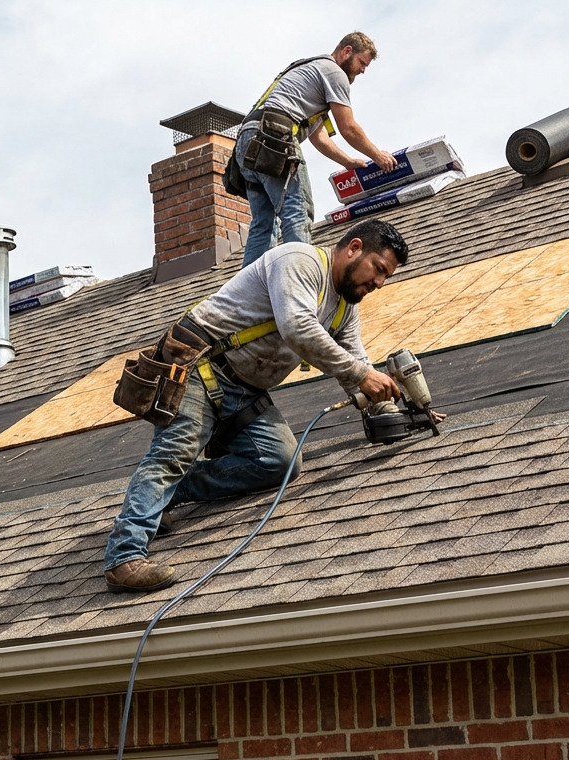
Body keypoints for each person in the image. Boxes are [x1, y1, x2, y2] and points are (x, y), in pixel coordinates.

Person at [103, 219, 428, 593]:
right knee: (172, 455)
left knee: (281, 462)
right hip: (199, 366)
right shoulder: (299, 262)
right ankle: (122, 558)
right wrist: (363, 377)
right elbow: (298, 329)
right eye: (379, 269)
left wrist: (396, 409)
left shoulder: (343, 309)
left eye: (385, 277)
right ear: (354, 248)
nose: (379, 283)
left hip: (244, 389)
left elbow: (355, 362)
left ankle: (166, 495)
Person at [237, 32, 400, 267]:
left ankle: (247, 295)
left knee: (264, 223)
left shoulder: (311, 74)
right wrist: (377, 155)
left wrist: (347, 162)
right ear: (346, 52)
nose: (363, 70)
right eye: (362, 63)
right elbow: (349, 127)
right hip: (274, 136)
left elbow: (318, 137)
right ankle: (302, 279)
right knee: (297, 210)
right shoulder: (334, 72)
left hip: (248, 142)